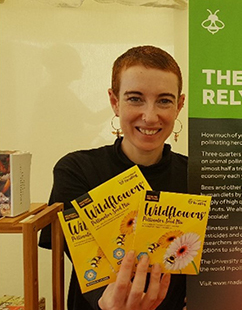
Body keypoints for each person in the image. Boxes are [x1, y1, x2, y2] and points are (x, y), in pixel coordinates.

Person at [38, 45, 188, 310]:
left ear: (179, 105)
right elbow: (88, 269)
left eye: (164, 100)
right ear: (114, 101)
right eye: (135, 98)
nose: (150, 116)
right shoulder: (76, 170)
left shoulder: (196, 176)